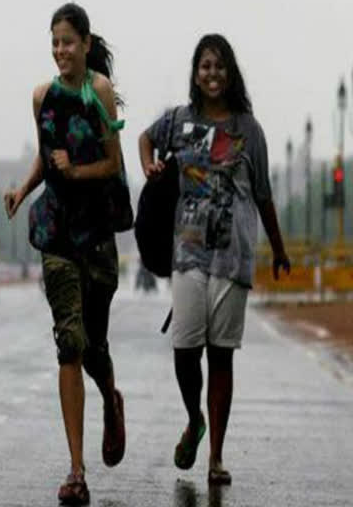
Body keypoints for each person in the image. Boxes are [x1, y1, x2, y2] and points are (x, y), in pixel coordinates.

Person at [138, 34, 290, 485]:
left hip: (233, 256)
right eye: (205, 66)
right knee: (186, 349)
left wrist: (279, 249)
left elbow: (262, 195)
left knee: (221, 355)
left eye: (220, 66)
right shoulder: (180, 121)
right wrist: (148, 165)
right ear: (195, 72)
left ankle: (217, 456)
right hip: (186, 252)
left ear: (231, 73)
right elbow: (145, 139)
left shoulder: (249, 129)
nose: (212, 74)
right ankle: (193, 419)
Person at [5, 3, 126, 505]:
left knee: (94, 345)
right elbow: (44, 149)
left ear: (86, 43)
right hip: (54, 231)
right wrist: (24, 188)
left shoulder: (98, 92)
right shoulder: (41, 97)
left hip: (95, 232)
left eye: (68, 42)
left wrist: (74, 170)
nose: (60, 52)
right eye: (54, 43)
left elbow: (112, 163)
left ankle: (111, 399)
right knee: (69, 342)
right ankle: (76, 469)